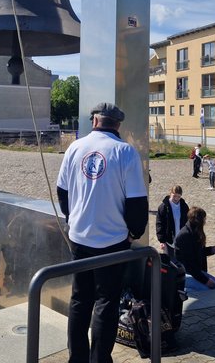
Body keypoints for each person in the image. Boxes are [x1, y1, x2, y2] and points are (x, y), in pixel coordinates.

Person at [56, 102, 148, 362]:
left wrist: (72, 217)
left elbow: (62, 192)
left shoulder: (75, 147)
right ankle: (99, 359)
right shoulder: (125, 152)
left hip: (79, 238)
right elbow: (137, 202)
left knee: (79, 300)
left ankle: (77, 358)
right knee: (106, 302)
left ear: (94, 121)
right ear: (117, 124)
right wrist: (134, 232)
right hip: (112, 241)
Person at [174, 207, 215, 292]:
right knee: (207, 291)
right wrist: (205, 280)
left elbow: (197, 252)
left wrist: (210, 250)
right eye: (204, 219)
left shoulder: (195, 232)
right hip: (187, 273)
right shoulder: (185, 236)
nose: (205, 221)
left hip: (196, 271)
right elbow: (189, 265)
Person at [155, 185, 189, 257]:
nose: (176, 199)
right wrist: (162, 240)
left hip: (181, 240)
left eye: (178, 197)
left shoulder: (184, 206)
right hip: (169, 240)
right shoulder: (163, 207)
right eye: (174, 196)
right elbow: (159, 224)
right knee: (170, 262)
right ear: (170, 194)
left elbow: (188, 222)